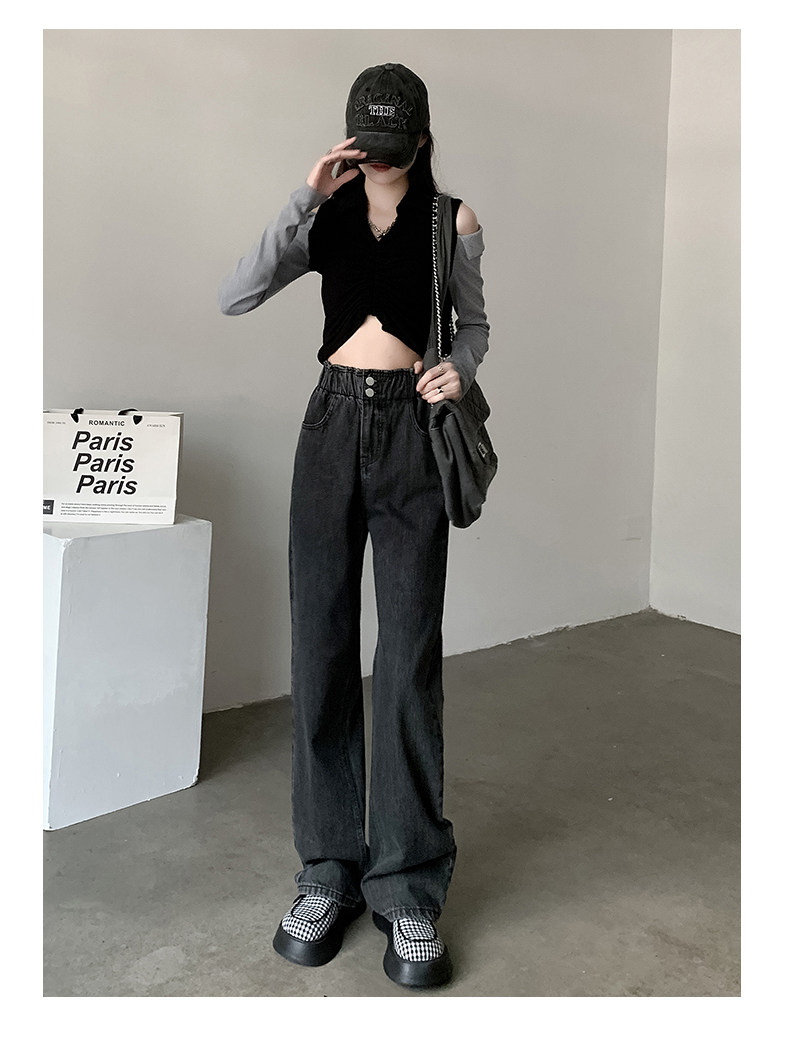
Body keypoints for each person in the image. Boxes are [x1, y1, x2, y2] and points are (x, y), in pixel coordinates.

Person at [219, 62, 489, 989]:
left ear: (420, 141)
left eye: (391, 149)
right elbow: (237, 292)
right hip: (331, 427)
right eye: (365, 149)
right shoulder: (325, 217)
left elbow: (474, 326)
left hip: (413, 431)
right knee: (321, 650)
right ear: (349, 144)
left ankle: (407, 885)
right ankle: (327, 871)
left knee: (407, 656)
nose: (378, 163)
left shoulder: (451, 219)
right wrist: (304, 194)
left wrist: (460, 369)